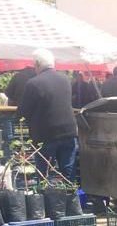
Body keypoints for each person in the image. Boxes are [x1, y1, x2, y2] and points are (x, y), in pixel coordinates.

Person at [18, 49, 80, 182]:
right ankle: (70, 200)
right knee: (68, 173)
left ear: (38, 64)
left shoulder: (34, 83)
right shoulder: (65, 80)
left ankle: (48, 201)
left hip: (46, 134)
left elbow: (23, 112)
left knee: (44, 175)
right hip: (69, 131)